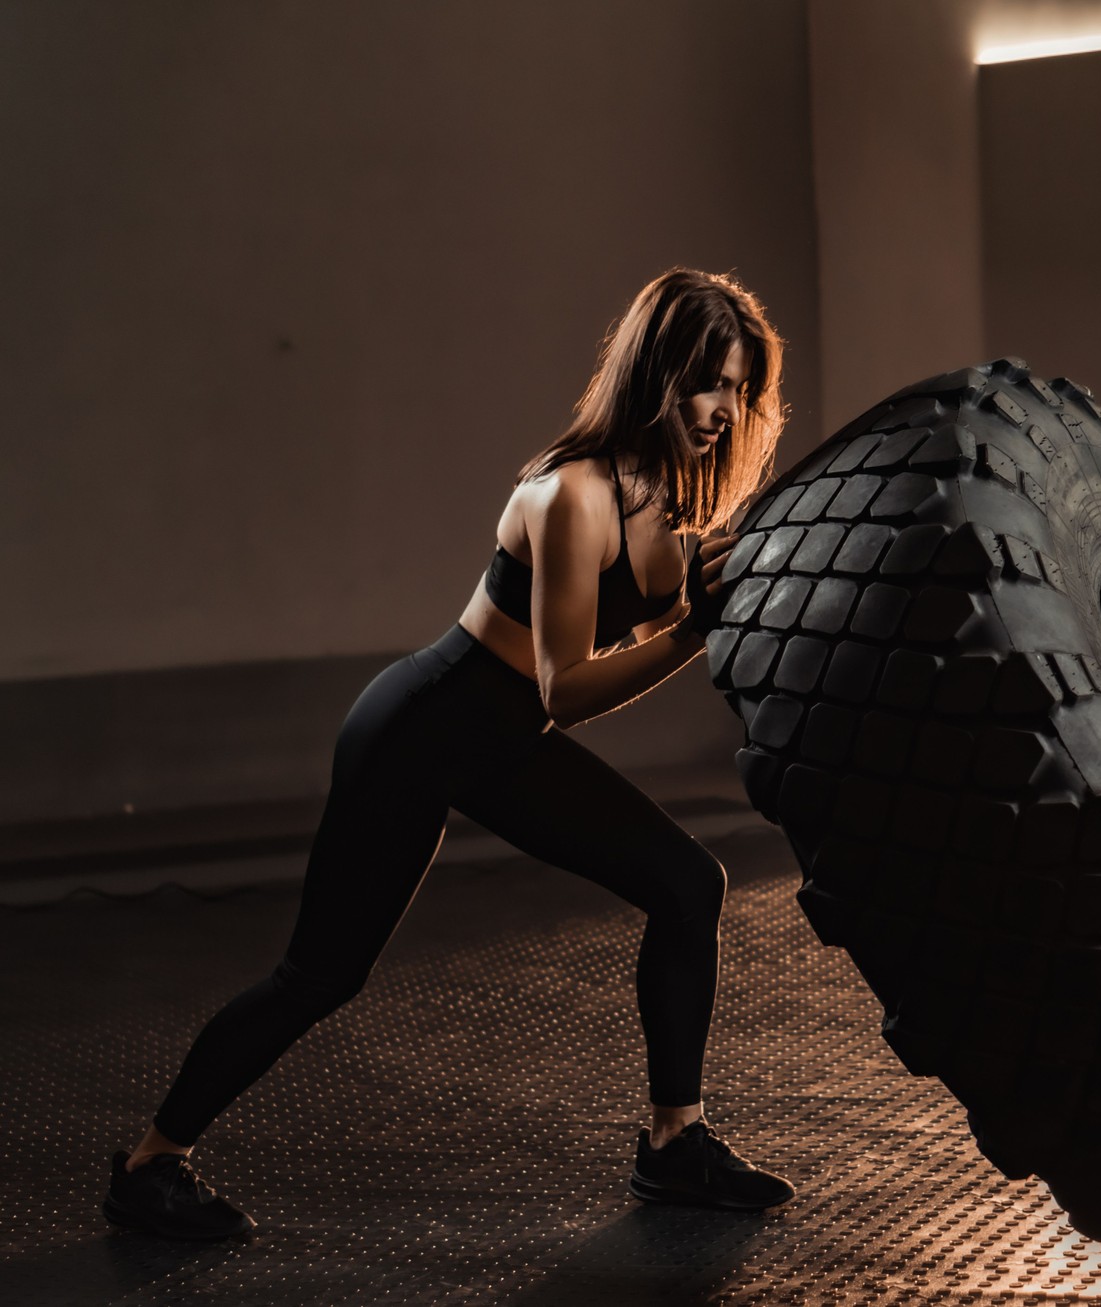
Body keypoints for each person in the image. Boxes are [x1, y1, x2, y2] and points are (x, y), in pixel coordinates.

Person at [104, 268, 796, 1241]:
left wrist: (711, 614)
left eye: (735, 386)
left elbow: (612, 660)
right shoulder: (573, 496)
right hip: (422, 728)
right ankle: (149, 1161)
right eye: (700, 382)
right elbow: (565, 689)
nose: (719, 409)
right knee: (320, 975)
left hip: (504, 740)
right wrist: (690, 631)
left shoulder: (671, 498)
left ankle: (673, 1144)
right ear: (652, 374)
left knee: (688, 883)